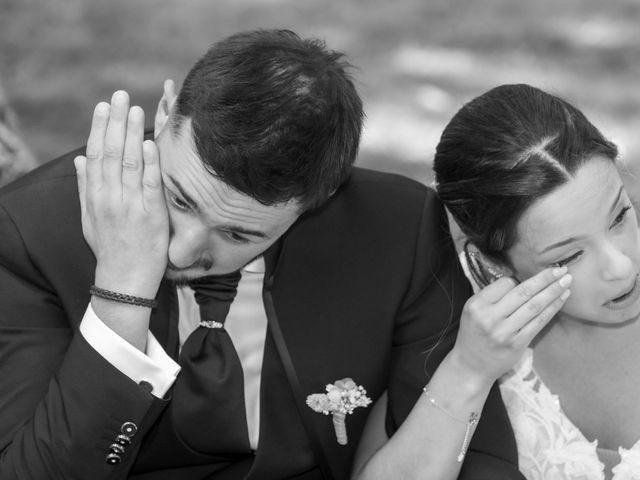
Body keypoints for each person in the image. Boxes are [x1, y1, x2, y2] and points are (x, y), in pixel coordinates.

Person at [0, 28, 518, 480]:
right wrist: (121, 293)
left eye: (240, 235)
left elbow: (479, 455)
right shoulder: (30, 233)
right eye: (180, 198)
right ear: (166, 112)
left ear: (324, 198)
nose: (180, 249)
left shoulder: (399, 231)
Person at [354, 83, 640, 480]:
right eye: (569, 255)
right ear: (493, 266)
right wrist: (470, 371)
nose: (621, 267)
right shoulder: (442, 327)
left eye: (620, 216)